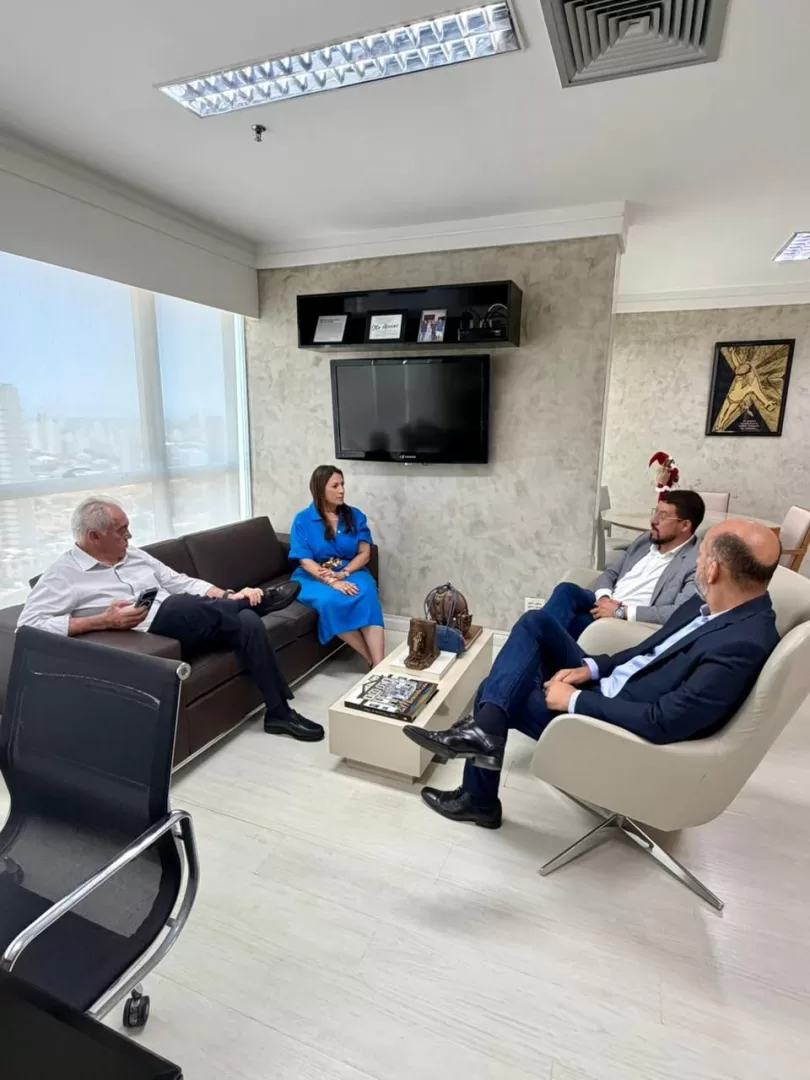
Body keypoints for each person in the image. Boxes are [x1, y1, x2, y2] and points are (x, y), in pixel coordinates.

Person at [403, 520, 782, 830]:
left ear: (714, 570)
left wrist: (575, 700)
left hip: (617, 723)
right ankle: (482, 749)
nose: (696, 562)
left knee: (496, 692)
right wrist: (592, 668)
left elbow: (663, 721)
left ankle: (480, 792)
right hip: (611, 684)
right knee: (535, 623)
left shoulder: (741, 645)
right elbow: (647, 651)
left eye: (701, 555)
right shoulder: (714, 606)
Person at [17, 497, 324, 742]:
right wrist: (102, 621)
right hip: (154, 637)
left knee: (247, 622)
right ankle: (252, 606)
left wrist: (227, 594)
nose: (129, 536)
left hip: (193, 621)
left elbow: (179, 580)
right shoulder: (63, 575)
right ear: (94, 536)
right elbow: (27, 626)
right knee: (178, 605)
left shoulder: (134, 555)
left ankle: (279, 713)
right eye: (121, 530)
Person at [544, 489, 705, 639]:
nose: (653, 521)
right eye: (655, 512)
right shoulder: (646, 540)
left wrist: (620, 612)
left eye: (663, 516)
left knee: (540, 625)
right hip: (605, 604)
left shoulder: (696, 562)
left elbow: (680, 612)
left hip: (624, 624)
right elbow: (610, 573)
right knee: (566, 590)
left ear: (685, 525)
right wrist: (604, 598)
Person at [290, 465, 385, 666]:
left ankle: (380, 661)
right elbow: (305, 561)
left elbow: (365, 553)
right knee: (329, 601)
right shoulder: (302, 520)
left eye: (342, 484)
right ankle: (373, 662)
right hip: (314, 575)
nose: (342, 490)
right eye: (335, 486)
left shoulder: (355, 515)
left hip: (351, 569)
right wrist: (332, 582)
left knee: (366, 592)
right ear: (320, 489)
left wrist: (344, 573)